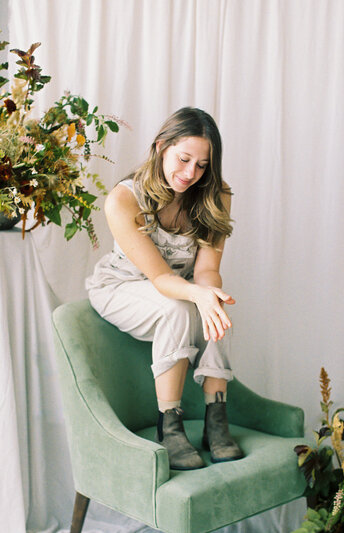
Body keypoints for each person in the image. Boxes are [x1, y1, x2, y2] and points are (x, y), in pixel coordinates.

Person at [86, 107, 243, 470]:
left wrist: (209, 295)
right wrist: (196, 295)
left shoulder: (215, 193)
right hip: (121, 286)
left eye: (202, 165)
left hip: (177, 287)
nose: (191, 174)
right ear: (161, 147)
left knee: (216, 306)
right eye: (184, 159)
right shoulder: (123, 199)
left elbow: (206, 269)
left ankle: (216, 420)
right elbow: (159, 279)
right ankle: (168, 426)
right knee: (176, 307)